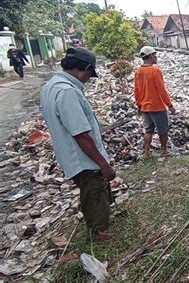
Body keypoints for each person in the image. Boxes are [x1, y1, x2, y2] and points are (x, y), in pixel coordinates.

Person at [40, 47, 115, 242]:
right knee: (94, 191)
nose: (90, 79)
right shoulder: (67, 92)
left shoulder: (51, 86)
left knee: (93, 191)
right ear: (86, 68)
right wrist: (103, 164)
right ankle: (99, 234)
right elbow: (81, 134)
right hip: (82, 157)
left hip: (71, 154)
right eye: (91, 74)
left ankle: (99, 222)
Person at [134, 46, 176, 158]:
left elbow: (137, 91)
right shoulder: (155, 71)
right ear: (151, 56)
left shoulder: (138, 71)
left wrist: (139, 105)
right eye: (155, 55)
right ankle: (164, 151)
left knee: (148, 130)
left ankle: (146, 152)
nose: (156, 57)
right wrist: (170, 105)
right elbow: (162, 90)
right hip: (157, 106)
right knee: (163, 131)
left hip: (145, 107)